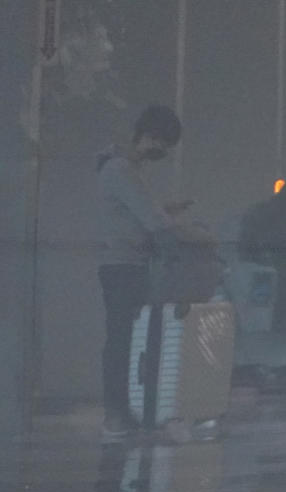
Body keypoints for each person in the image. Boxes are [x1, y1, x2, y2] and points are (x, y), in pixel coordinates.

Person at [95, 104, 205, 439]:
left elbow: (136, 212)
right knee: (123, 340)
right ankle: (117, 414)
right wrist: (180, 238)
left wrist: (165, 212)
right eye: (163, 143)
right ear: (149, 136)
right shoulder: (121, 170)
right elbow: (150, 219)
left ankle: (129, 410)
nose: (164, 152)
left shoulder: (126, 169)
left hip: (128, 263)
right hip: (123, 265)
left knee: (129, 339)